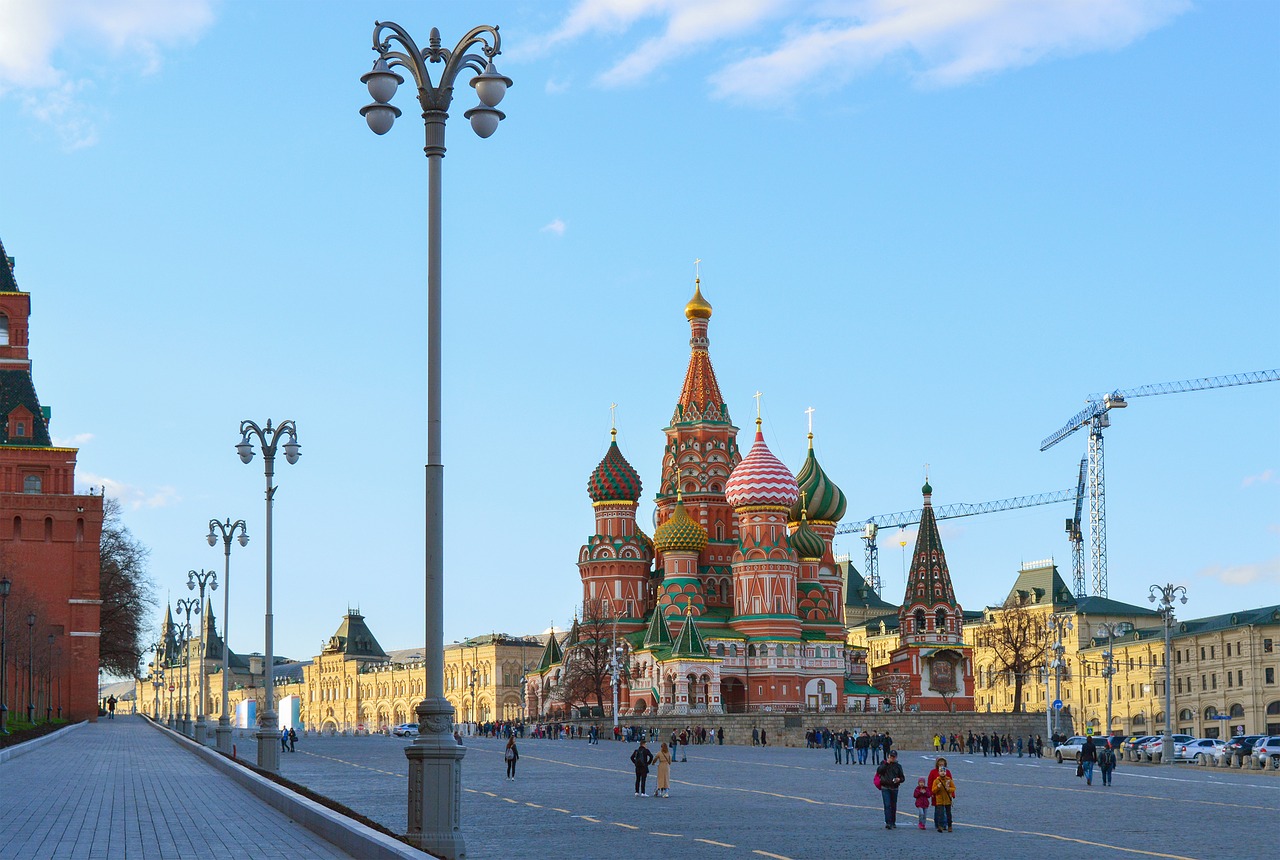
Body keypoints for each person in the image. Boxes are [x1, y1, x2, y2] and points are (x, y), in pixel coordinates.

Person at [875, 750, 905, 829]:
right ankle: (888, 822)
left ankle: (893, 822)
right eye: (891, 756)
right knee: (887, 805)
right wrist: (886, 763)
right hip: (885, 787)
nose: (892, 758)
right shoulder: (883, 763)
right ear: (888, 756)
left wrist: (899, 779)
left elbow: (903, 778)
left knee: (893, 805)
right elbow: (879, 771)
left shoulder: (898, 766)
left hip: (894, 788)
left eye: (893, 757)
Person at [930, 761, 956, 832]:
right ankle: (940, 826)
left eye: (944, 771)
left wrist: (949, 789)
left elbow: (953, 788)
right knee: (940, 814)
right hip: (940, 800)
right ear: (939, 772)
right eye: (941, 771)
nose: (942, 773)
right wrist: (938, 787)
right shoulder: (936, 781)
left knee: (948, 814)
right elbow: (933, 790)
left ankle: (949, 826)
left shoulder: (949, 780)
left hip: (947, 799)